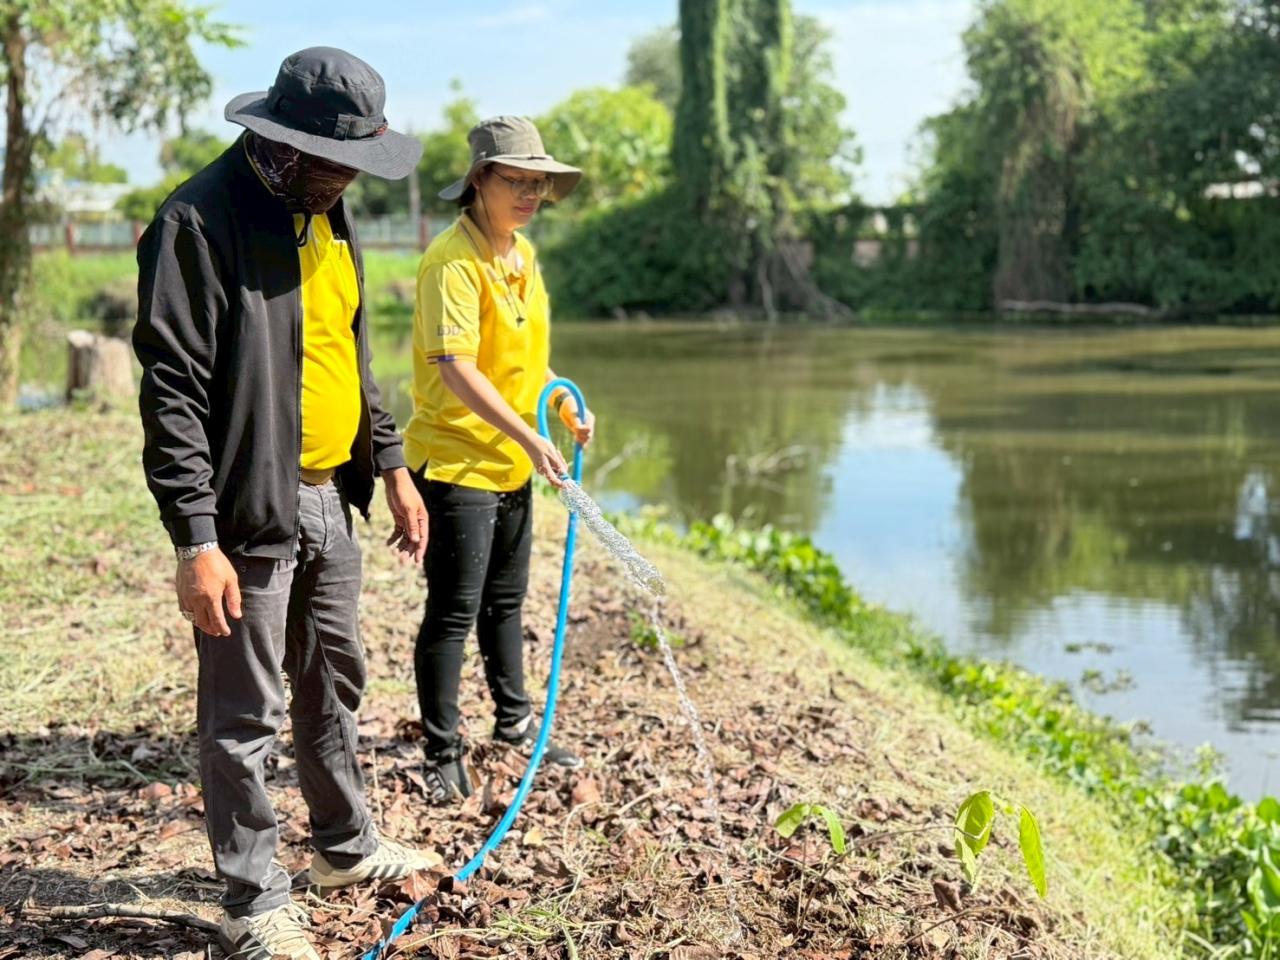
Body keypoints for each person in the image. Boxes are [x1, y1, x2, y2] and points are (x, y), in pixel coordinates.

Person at [132, 47, 433, 960]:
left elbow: (350, 350)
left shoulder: (324, 207)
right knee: (243, 714)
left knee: (334, 678)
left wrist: (390, 463)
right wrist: (196, 538)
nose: (348, 180)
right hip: (243, 509)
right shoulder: (197, 220)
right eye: (336, 162)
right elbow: (172, 390)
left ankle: (344, 847)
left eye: (357, 165)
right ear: (282, 142)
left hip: (327, 498)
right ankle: (254, 900)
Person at [399, 116, 594, 802]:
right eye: (517, 180)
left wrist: (563, 409)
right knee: (454, 609)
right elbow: (456, 368)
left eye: (539, 183)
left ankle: (514, 725)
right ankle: (442, 751)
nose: (531, 194)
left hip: (513, 456)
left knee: (506, 602)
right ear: (480, 179)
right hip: (456, 463)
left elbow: (526, 365)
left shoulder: (522, 257)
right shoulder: (451, 261)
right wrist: (530, 435)